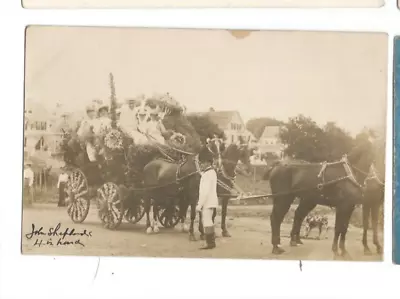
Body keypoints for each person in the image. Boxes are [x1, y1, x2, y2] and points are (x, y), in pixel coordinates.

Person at [196, 146, 218, 250]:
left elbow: (204, 192)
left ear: (208, 163)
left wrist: (199, 205)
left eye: (202, 163)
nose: (201, 165)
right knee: (208, 220)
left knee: (207, 221)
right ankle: (211, 242)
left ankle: (210, 243)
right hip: (211, 201)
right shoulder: (212, 173)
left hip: (207, 202)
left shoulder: (206, 175)